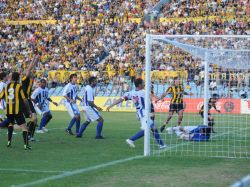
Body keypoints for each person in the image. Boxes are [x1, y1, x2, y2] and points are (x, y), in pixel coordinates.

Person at [106, 78, 166, 149]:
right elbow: (154, 99)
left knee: (153, 128)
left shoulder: (130, 93)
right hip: (145, 113)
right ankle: (131, 140)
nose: (144, 84)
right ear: (140, 85)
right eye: (143, 83)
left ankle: (162, 145)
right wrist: (161, 98)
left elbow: (121, 99)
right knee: (147, 129)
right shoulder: (144, 92)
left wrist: (111, 105)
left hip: (140, 113)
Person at [0, 72, 32, 149]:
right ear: (18, 78)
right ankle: (26, 145)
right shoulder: (18, 86)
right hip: (17, 110)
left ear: (11, 78)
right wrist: (29, 110)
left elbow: (0, 97)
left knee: (11, 124)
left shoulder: (6, 87)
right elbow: (25, 99)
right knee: (24, 127)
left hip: (8, 111)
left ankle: (9, 142)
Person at [20, 53, 40, 141]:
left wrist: (36, 60)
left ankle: (30, 136)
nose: (29, 72)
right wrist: (33, 59)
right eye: (27, 71)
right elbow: (30, 68)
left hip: (28, 100)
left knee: (35, 120)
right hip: (24, 100)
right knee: (34, 118)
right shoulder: (24, 79)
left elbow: (32, 68)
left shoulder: (31, 79)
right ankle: (27, 132)